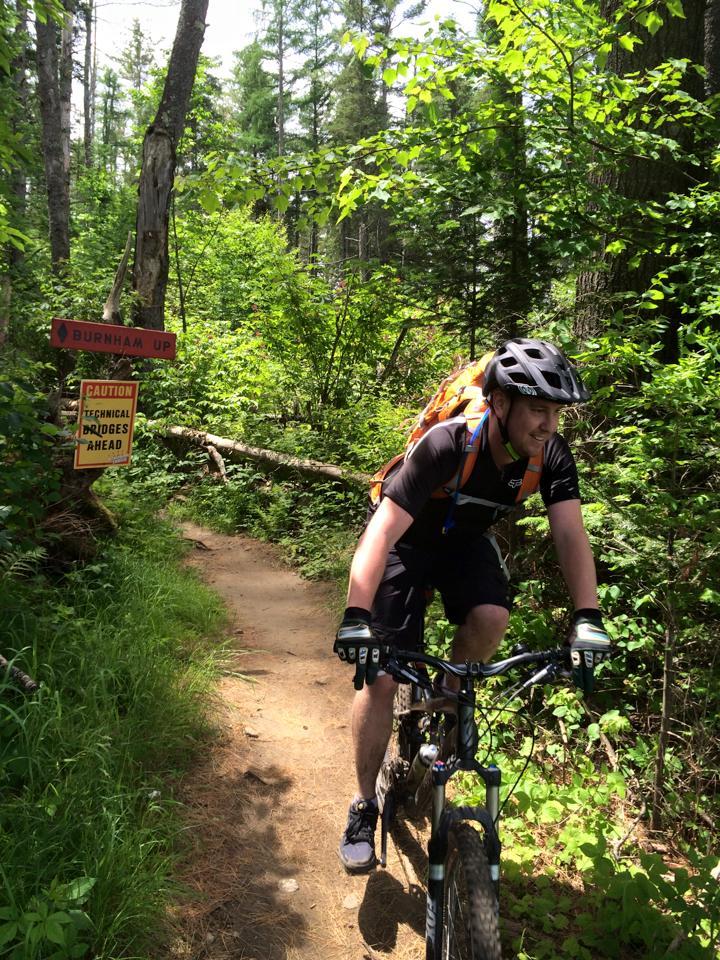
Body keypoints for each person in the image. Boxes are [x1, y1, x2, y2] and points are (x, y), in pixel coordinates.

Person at [333, 337, 611, 873]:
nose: (549, 425)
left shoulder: (551, 455)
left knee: (491, 617)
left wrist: (588, 618)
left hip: (463, 541)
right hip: (407, 541)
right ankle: (364, 804)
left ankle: (447, 696)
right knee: (380, 676)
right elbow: (381, 534)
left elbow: (570, 534)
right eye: (538, 409)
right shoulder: (448, 443)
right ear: (500, 403)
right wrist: (356, 619)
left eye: (556, 412)